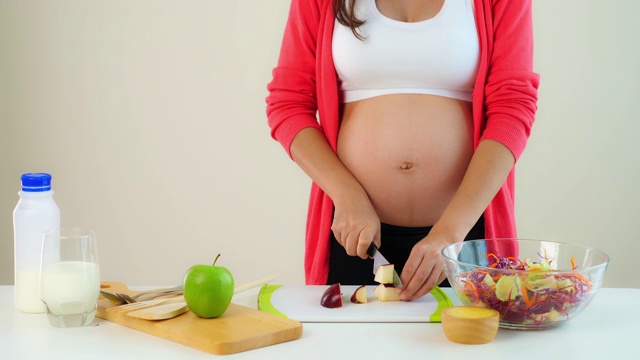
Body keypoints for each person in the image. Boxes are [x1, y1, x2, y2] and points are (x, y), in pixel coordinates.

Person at [266, 0, 539, 301]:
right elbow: (288, 104)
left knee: (471, 347)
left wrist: (450, 233)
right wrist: (346, 194)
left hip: (463, 238)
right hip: (357, 239)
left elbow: (512, 108)